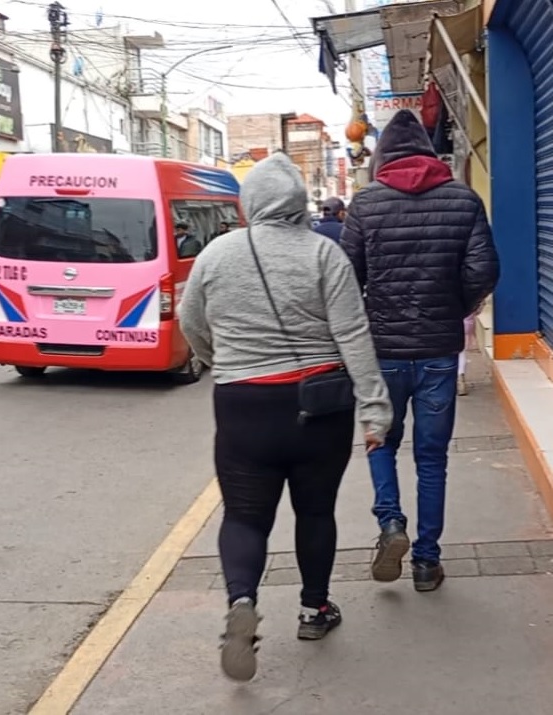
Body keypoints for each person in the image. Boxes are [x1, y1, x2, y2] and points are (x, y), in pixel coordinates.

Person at [179, 152, 392, 682]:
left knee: (243, 516)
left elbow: (190, 321)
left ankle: (242, 601)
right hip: (320, 407)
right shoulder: (324, 253)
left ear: (249, 203)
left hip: (242, 404)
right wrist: (375, 409)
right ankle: (314, 609)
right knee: (315, 512)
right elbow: (353, 334)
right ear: (298, 203)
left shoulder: (216, 254)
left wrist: (220, 360)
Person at [341, 110, 500, 593]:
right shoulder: (463, 199)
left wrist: (371, 314)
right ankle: (427, 563)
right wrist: (456, 307)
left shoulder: (366, 204)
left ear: (383, 157)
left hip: (383, 350)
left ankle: (391, 522)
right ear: (428, 153)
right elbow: (484, 270)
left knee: (380, 440)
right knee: (432, 459)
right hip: (438, 352)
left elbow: (346, 276)